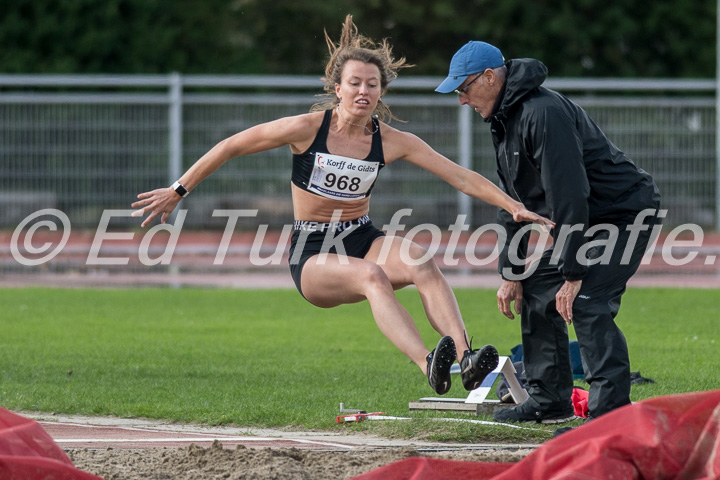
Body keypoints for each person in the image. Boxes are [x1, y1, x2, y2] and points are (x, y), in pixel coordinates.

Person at [131, 18, 553, 396]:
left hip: (362, 235)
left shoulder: (389, 139)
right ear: (338, 88)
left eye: (372, 84)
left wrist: (513, 205)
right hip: (312, 251)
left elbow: (460, 176)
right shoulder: (306, 129)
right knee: (372, 277)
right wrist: (178, 189)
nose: (363, 91)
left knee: (421, 262)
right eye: (354, 83)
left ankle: (466, 359)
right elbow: (230, 146)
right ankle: (429, 363)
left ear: (381, 91)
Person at [436, 41, 661, 422]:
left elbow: (569, 195)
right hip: (587, 217)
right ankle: (549, 400)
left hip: (624, 214)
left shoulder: (544, 113)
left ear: (490, 78)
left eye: (463, 88)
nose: (461, 100)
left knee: (587, 298)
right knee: (537, 284)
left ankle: (609, 416)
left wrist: (573, 275)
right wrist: (512, 273)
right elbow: (513, 203)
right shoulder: (504, 119)